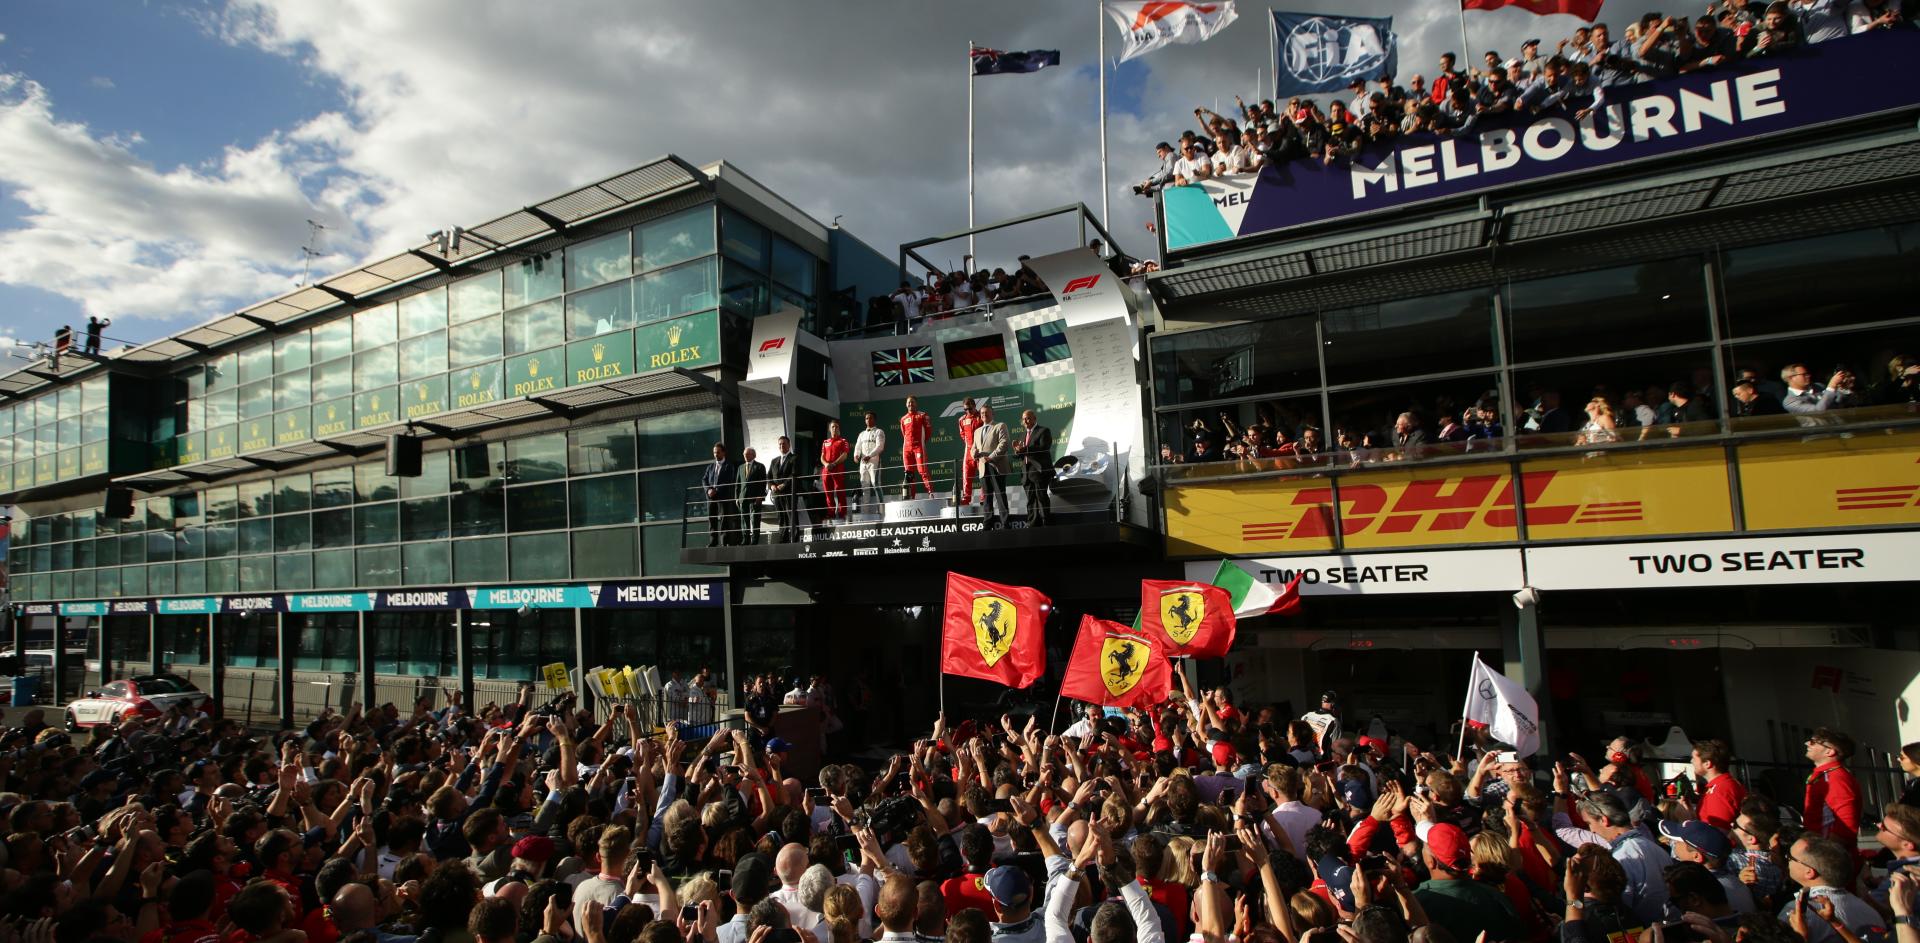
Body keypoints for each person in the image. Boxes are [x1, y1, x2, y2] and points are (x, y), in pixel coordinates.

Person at [1780, 835, 1886, 942]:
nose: (1787, 860)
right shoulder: (1870, 912)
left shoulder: (1796, 913)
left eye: (1790, 858)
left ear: (1809, 872)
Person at [1804, 727, 1863, 847]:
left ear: (1829, 751)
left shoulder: (1835, 777)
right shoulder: (1826, 774)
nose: (1807, 743)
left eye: (1813, 742)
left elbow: (1846, 823)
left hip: (1826, 853)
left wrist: (1828, 853)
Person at [1691, 739, 1747, 830]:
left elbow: (1719, 832)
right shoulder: (1724, 784)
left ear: (1707, 764)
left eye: (1694, 758)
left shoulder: (1719, 790)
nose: (1691, 761)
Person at [971, 404, 1010, 530]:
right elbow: (973, 448)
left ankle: (1005, 523)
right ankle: (988, 523)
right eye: (982, 413)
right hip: (983, 467)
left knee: (1000, 495)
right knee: (987, 497)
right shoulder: (977, 431)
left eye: (987, 412)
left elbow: (1004, 444)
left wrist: (991, 457)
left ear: (993, 414)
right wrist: (974, 454)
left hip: (996, 465)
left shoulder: (1000, 425)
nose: (984, 415)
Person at [1014, 409, 1052, 528]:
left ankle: (1046, 521)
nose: (1025, 421)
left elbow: (1044, 447)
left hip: (1039, 472)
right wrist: (1017, 451)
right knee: (1030, 500)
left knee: (1041, 497)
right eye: (1023, 419)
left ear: (1035, 418)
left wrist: (1024, 449)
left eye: (1028, 418)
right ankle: (1032, 523)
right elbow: (1019, 455)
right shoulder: (1022, 435)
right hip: (1026, 473)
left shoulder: (1043, 431)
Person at [703, 442, 738, 547]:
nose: (715, 455)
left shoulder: (729, 466)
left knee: (724, 519)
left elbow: (729, 480)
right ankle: (713, 541)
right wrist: (708, 490)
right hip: (711, 497)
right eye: (714, 453)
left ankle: (724, 541)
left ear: (723, 453)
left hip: (723, 497)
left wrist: (716, 490)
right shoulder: (710, 467)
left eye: (718, 452)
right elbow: (704, 479)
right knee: (712, 519)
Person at [899, 396, 934, 498]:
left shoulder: (923, 415)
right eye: (909, 402)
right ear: (906, 404)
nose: (910, 404)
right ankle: (910, 496)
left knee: (922, 470)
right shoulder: (903, 419)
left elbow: (928, 432)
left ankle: (930, 493)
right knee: (909, 474)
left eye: (912, 402)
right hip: (906, 449)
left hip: (918, 447)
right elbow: (904, 433)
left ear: (916, 404)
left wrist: (921, 442)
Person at [768, 435, 800, 543]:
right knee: (781, 517)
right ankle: (783, 539)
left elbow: (794, 474)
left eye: (784, 443)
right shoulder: (774, 460)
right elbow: (769, 476)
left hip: (788, 492)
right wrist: (771, 485)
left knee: (791, 516)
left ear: (789, 445)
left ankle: (794, 539)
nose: (782, 446)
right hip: (777, 494)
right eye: (780, 444)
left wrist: (784, 484)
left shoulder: (794, 458)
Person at [854, 412, 886, 515]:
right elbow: (857, 447)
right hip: (863, 463)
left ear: (874, 419)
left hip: (874, 462)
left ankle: (881, 511)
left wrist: (870, 455)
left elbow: (880, 447)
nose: (868, 420)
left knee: (876, 485)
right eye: (866, 418)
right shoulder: (861, 434)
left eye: (870, 418)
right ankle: (865, 513)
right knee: (865, 487)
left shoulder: (879, 432)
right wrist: (856, 455)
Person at [736, 446, 768, 546]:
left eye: (748, 454)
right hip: (743, 497)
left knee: (755, 519)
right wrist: (737, 498)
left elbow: (763, 483)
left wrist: (760, 496)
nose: (745, 455)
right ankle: (745, 540)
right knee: (744, 519)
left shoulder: (759, 466)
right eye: (744, 454)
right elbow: (738, 483)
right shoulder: (740, 467)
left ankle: (754, 540)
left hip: (755, 498)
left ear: (753, 455)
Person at [820, 420, 850, 522]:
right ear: (829, 429)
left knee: (840, 491)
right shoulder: (825, 442)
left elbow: (845, 455)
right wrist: (826, 464)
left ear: (839, 429)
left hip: (837, 469)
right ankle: (831, 513)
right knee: (828, 493)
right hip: (826, 470)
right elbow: (822, 457)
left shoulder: (843, 441)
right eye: (832, 427)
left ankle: (842, 514)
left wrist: (834, 464)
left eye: (836, 427)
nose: (834, 428)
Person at [956, 397, 984, 507]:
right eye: (965, 409)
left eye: (970, 409)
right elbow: (962, 434)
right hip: (968, 453)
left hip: (980, 451)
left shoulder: (981, 417)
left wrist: (978, 447)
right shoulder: (961, 420)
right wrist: (970, 447)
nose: (967, 411)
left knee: (983, 476)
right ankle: (966, 500)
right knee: (966, 477)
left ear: (974, 406)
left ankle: (983, 499)